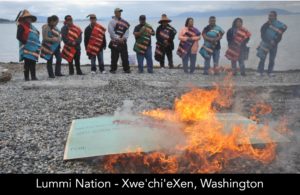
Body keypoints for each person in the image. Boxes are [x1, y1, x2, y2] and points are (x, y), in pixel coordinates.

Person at [256, 11, 287, 76]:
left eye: (271, 15)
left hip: (274, 45)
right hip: (265, 44)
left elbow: (279, 36)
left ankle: (270, 72)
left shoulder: (279, 25)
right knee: (262, 58)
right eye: (269, 15)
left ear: (275, 16)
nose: (270, 17)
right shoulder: (265, 25)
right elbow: (262, 35)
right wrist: (269, 41)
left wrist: (275, 41)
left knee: (272, 59)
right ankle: (260, 72)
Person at [16, 9, 41, 81]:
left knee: (33, 62)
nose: (29, 19)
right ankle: (26, 77)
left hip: (33, 47)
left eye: (30, 18)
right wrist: (25, 42)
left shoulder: (32, 27)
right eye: (27, 18)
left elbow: (36, 34)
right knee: (27, 63)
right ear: (24, 19)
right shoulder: (21, 26)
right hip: (26, 47)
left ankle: (33, 77)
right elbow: (18, 36)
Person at [108, 8, 131, 74]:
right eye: (118, 12)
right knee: (114, 57)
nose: (119, 13)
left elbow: (127, 31)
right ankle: (113, 69)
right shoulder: (112, 21)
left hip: (123, 42)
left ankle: (126, 69)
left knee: (125, 56)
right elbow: (111, 32)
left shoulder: (124, 22)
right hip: (115, 41)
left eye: (120, 12)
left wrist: (123, 38)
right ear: (115, 13)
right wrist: (118, 38)